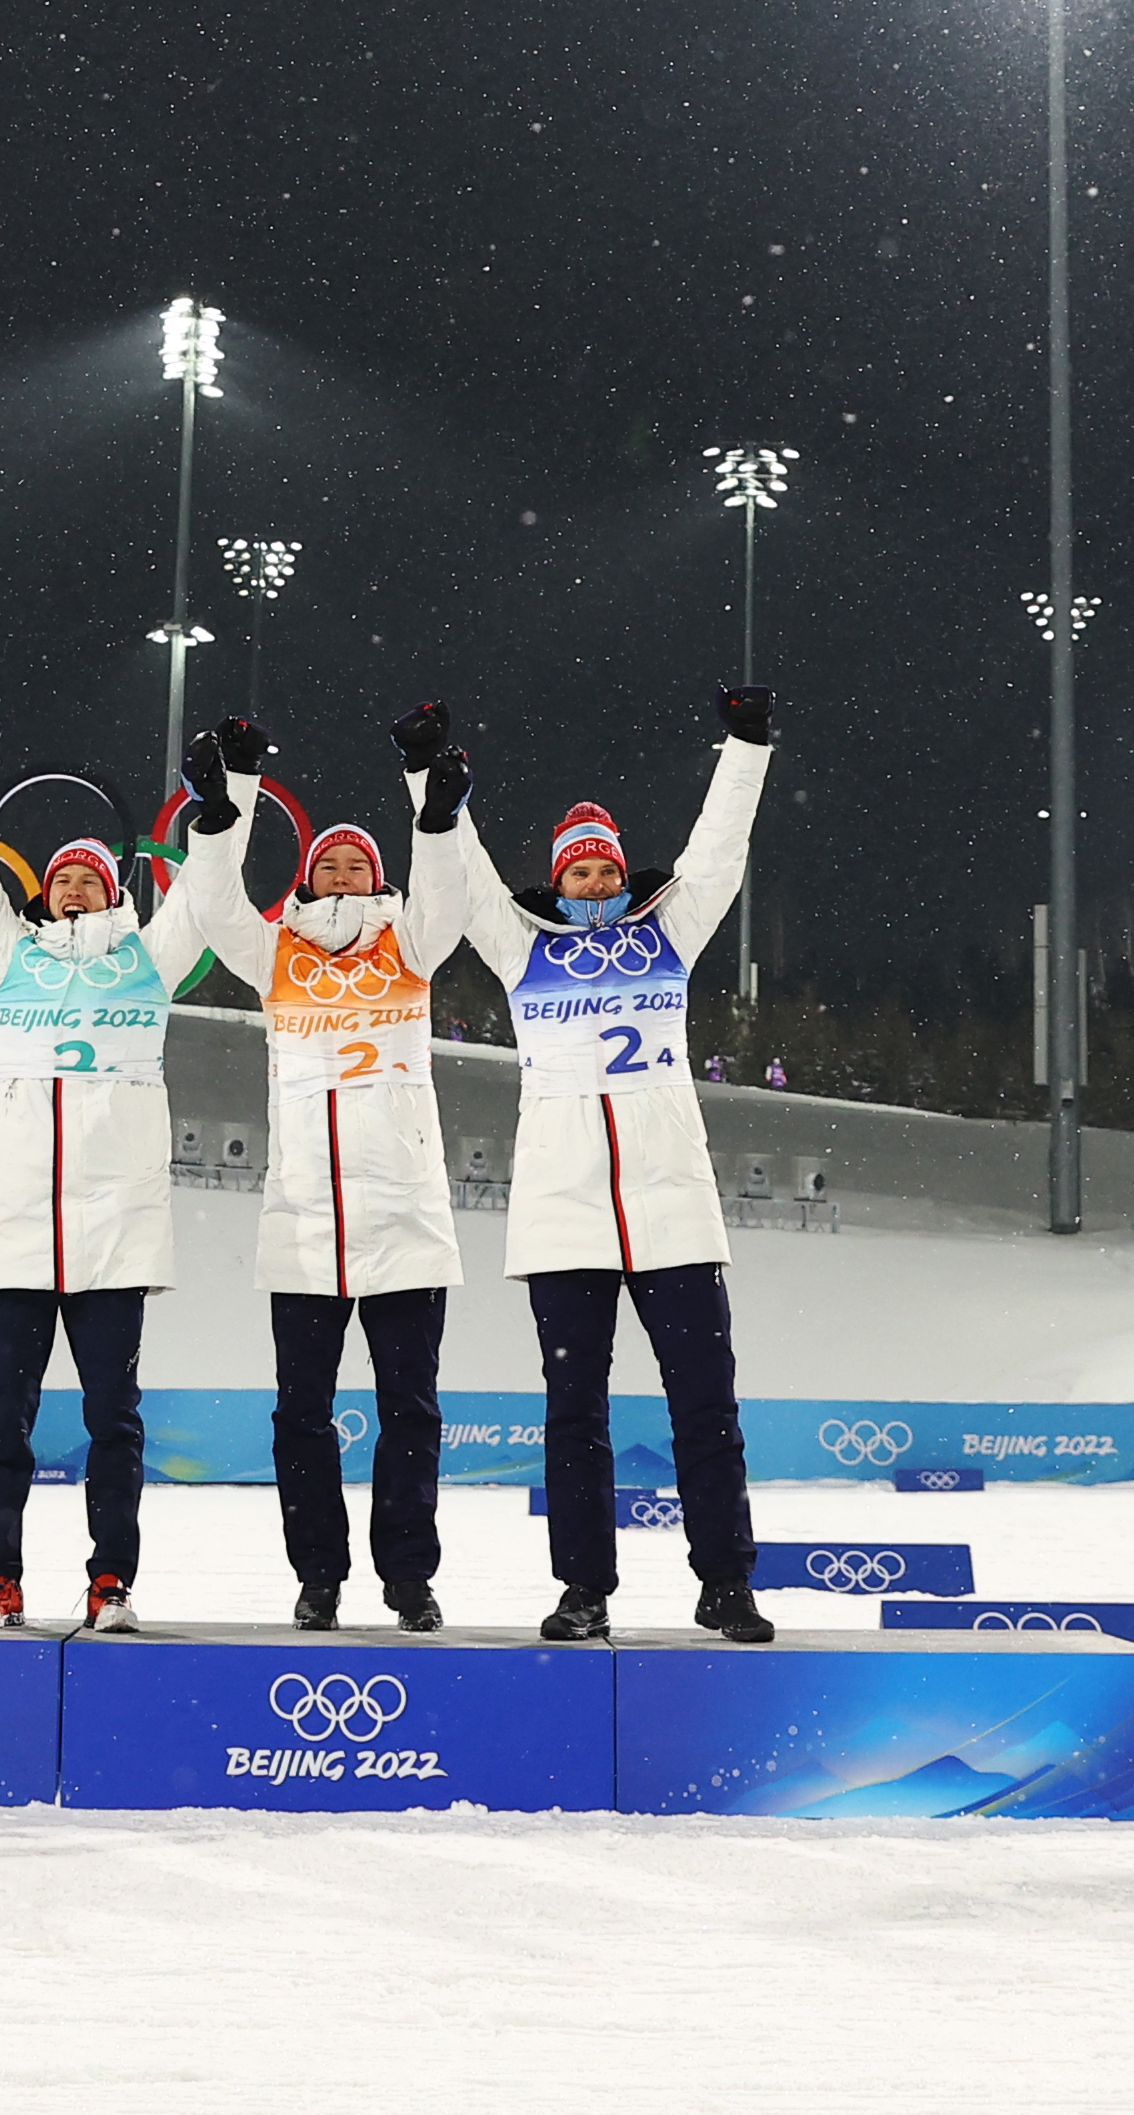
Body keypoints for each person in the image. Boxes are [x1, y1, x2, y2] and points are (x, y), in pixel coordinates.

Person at [432, 684, 779, 1647]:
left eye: (603, 869)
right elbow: (463, 875)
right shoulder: (518, 945)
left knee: (705, 1406)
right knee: (574, 1413)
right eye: (575, 871)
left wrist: (744, 745)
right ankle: (584, 1589)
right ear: (557, 879)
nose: (589, 882)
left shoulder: (669, 930)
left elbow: (718, 852)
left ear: (624, 875)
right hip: (563, 1214)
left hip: (672, 1207)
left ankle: (725, 1585)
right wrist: (435, 785)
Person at [0, 691, 236, 1630]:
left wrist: (219, 816)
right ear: (43, 892)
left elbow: (206, 902)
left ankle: (111, 1583)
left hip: (114, 1236)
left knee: (112, 1425)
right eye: (61, 878)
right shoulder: (11, 960)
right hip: (17, 1231)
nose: (74, 887)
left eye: (90, 877)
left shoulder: (151, 957)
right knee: (1, 1422)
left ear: (117, 889)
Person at [172, 715, 473, 1631]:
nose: (342, 875)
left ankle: (408, 1576)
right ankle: (320, 1574)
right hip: (304, 1227)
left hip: (405, 1225)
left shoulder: (410, 946)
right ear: (306, 877)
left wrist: (433, 800)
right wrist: (229, 803)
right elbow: (213, 906)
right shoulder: (275, 954)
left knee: (409, 1415)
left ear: (377, 879)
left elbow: (448, 892)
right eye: (330, 865)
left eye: (356, 866)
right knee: (299, 1419)